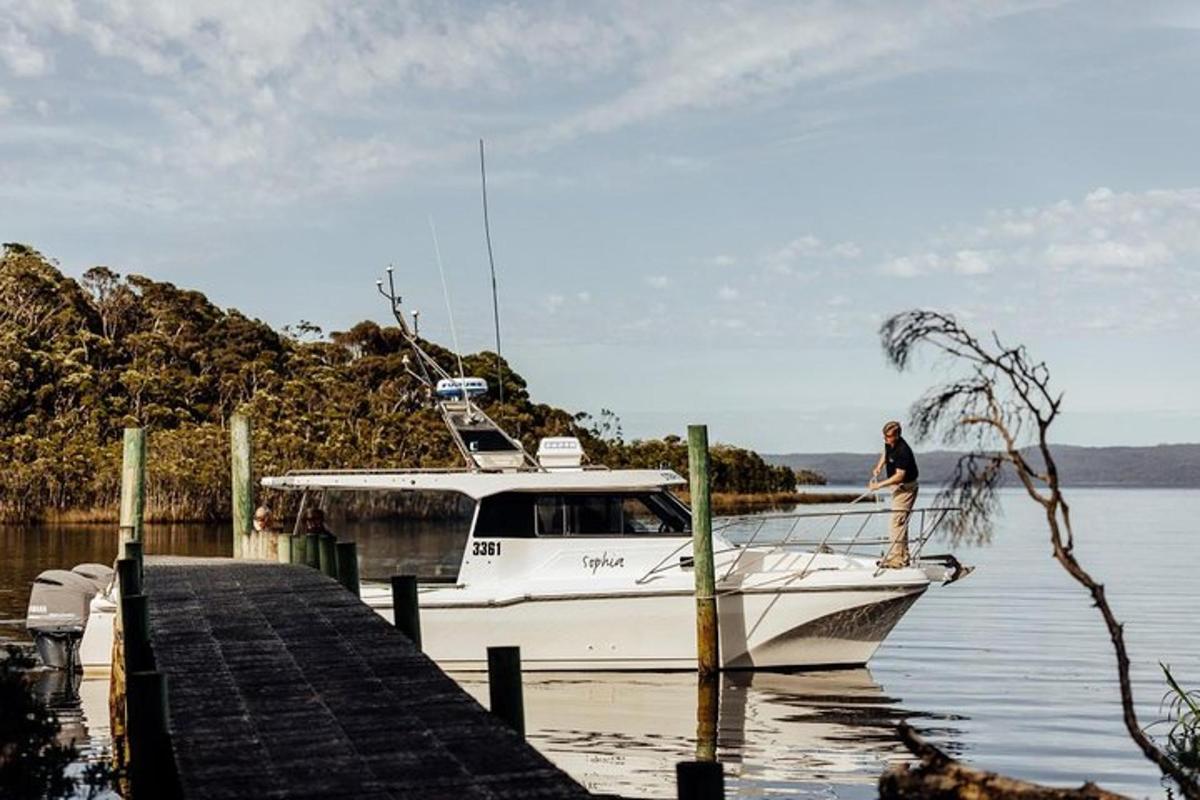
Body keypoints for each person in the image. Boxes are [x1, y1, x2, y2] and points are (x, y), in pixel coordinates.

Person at [868, 420, 919, 568]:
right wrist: (879, 467)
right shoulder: (890, 444)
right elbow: (885, 453)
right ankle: (903, 555)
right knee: (899, 522)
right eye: (884, 437)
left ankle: (897, 559)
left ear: (896, 435)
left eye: (888, 437)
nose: (886, 439)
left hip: (906, 489)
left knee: (897, 523)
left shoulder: (903, 450)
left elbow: (899, 476)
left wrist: (879, 485)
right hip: (897, 489)